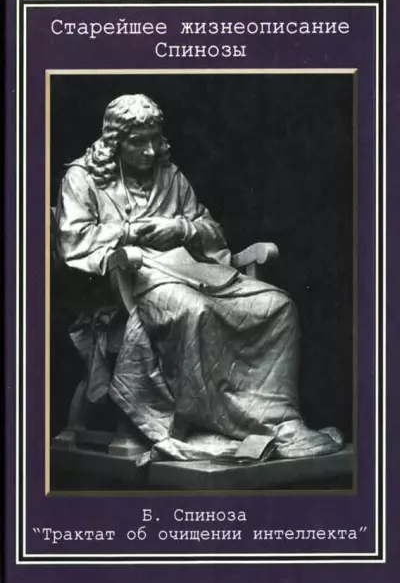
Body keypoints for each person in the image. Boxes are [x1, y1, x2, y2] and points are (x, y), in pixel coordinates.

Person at [56, 93, 343, 463]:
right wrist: (131, 233)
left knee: (278, 306)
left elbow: (211, 230)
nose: (150, 151)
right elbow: (74, 242)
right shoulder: (82, 179)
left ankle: (283, 422)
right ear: (114, 142)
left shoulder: (170, 175)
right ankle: (210, 426)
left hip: (196, 272)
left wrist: (180, 228)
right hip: (132, 283)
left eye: (154, 140)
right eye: (137, 143)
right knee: (194, 311)